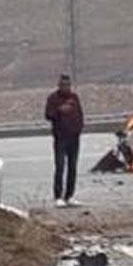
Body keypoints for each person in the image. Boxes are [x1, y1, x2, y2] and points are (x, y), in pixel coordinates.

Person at [44, 74, 85, 207]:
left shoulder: (74, 97)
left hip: (74, 137)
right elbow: (48, 115)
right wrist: (60, 111)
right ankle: (58, 196)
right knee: (60, 166)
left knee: (73, 167)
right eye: (63, 85)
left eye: (68, 85)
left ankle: (70, 195)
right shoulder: (53, 98)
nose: (66, 87)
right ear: (59, 85)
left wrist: (79, 128)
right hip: (60, 137)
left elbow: (80, 114)